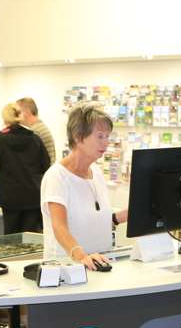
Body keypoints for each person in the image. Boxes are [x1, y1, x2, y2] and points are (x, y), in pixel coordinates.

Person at [40, 104, 127, 270]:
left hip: (101, 264)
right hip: (67, 269)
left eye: (108, 136)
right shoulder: (57, 177)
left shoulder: (96, 172)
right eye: (100, 136)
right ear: (78, 137)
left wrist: (123, 216)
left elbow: (92, 220)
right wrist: (82, 257)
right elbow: (59, 227)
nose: (106, 143)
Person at [0, 103, 49, 234]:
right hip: (33, 197)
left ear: (5, 119)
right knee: (31, 238)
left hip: (10, 198)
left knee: (11, 238)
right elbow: (46, 167)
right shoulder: (35, 139)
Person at [17, 97, 57, 166]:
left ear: (26, 112)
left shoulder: (35, 132)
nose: (16, 117)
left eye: (17, 113)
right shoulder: (39, 127)